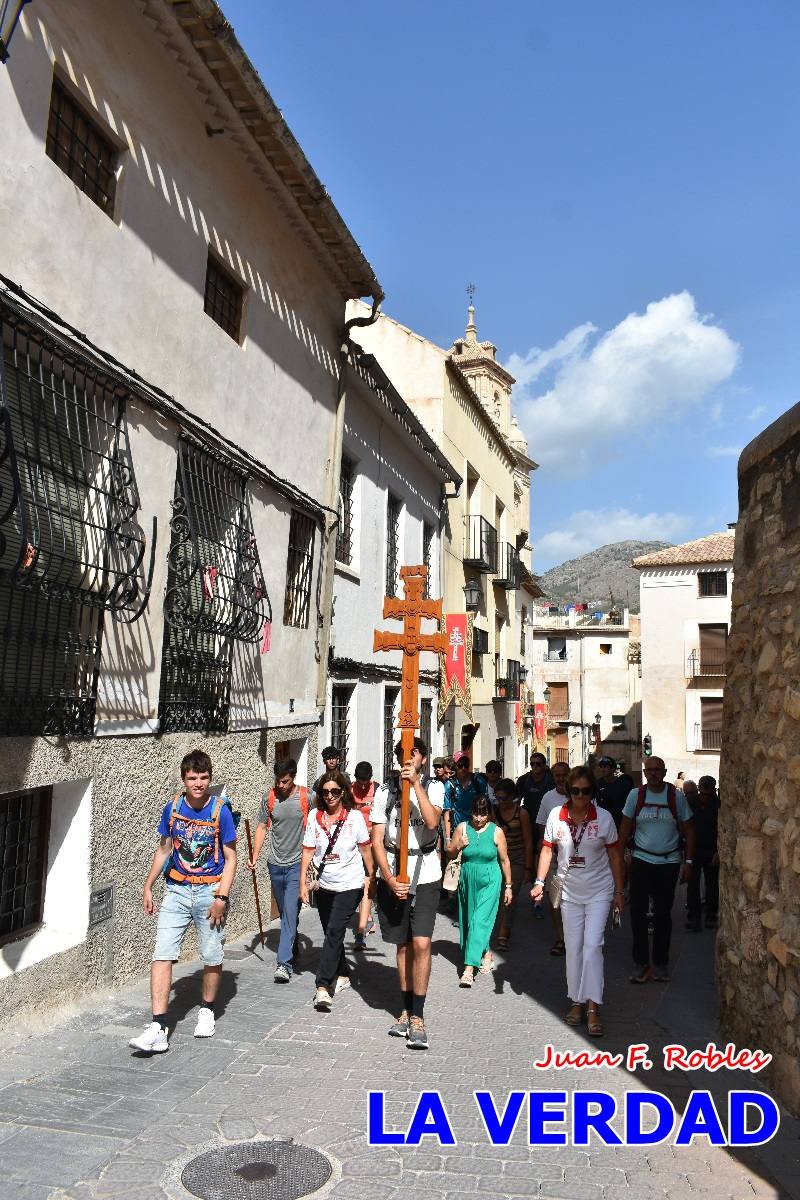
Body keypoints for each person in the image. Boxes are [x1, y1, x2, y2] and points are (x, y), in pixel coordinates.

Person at [129, 750, 237, 1052]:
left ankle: (206, 1008)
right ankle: (158, 1026)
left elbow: (231, 859)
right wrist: (148, 885)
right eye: (192, 778)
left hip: (209, 891)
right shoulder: (173, 808)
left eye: (203, 778)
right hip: (176, 889)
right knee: (161, 954)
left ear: (210, 778)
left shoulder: (220, 811)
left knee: (211, 954)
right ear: (184, 779)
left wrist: (221, 896)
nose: (198, 783)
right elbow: (164, 849)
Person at [531, 766, 624, 1036]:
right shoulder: (555, 816)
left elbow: (616, 856)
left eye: (586, 791)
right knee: (573, 947)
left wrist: (619, 892)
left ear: (592, 792)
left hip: (599, 890)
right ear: (568, 792)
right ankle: (576, 1000)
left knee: (593, 945)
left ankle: (593, 1006)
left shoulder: (604, 818)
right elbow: (547, 850)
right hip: (569, 890)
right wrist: (539, 881)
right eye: (575, 791)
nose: (581, 796)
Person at [371, 737, 445, 1050]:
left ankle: (418, 1015)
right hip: (394, 872)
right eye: (403, 753)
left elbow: (431, 822)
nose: (407, 758)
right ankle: (404, 1008)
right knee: (402, 945)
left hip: (425, 871)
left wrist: (415, 785)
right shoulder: (384, 793)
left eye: (413, 753)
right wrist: (388, 879)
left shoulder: (435, 787)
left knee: (422, 942)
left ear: (423, 759)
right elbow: (376, 840)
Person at [300, 772, 373, 1011]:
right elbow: (308, 851)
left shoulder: (354, 818)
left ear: (343, 792)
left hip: (349, 884)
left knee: (333, 931)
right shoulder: (314, 816)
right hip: (323, 884)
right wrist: (303, 883)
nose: (329, 796)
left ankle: (322, 986)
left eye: (334, 791)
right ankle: (342, 974)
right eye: (325, 792)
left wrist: (372, 878)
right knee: (333, 933)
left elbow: (365, 850)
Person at [619, 757, 695, 983]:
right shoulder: (636, 796)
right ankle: (641, 963)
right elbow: (623, 830)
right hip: (641, 861)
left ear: (664, 772)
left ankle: (660, 963)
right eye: (648, 770)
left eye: (656, 770)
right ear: (644, 772)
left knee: (663, 915)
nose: (652, 774)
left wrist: (689, 863)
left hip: (668, 863)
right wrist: (620, 862)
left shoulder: (676, 797)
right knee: (638, 913)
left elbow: (690, 831)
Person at [246, 757, 308, 983]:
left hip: (297, 864)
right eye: (278, 781)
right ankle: (292, 940)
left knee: (290, 912)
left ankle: (284, 964)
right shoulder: (269, 798)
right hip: (275, 864)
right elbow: (262, 826)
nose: (280, 786)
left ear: (293, 778)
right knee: (285, 911)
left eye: (285, 781)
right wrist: (254, 856)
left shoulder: (306, 797)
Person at [449, 794, 512, 986]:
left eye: (483, 814)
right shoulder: (462, 828)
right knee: (470, 921)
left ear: (489, 814)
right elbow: (450, 851)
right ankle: (486, 953)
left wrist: (508, 886)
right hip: (467, 879)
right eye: (476, 813)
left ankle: (469, 968)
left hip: (491, 879)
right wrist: (458, 845)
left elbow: (504, 860)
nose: (478, 818)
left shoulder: (496, 832)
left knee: (479, 920)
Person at [492, 778, 533, 948]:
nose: (501, 802)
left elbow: (528, 841)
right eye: (498, 798)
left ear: (512, 797)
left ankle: (504, 932)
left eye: (504, 799)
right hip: (496, 859)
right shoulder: (493, 812)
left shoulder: (521, 813)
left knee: (509, 897)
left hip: (516, 859)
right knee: (495, 895)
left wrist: (528, 868)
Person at [534, 760, 569, 952]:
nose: (561, 779)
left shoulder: (581, 794)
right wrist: (544, 844)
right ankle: (561, 937)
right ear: (553, 777)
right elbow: (541, 823)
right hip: (554, 856)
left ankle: (575, 936)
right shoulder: (548, 797)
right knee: (554, 897)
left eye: (564, 775)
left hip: (577, 858)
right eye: (558, 775)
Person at [686, 776, 719, 931]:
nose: (705, 797)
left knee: (712, 884)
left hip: (711, 849)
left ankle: (711, 915)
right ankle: (694, 916)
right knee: (692, 885)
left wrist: (718, 852)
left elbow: (722, 829)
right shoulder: (691, 802)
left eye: (708, 794)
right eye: (702, 793)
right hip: (694, 849)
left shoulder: (718, 805)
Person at [351, 761, 377, 949]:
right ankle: (366, 916)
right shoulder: (349, 790)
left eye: (365, 782)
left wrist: (370, 828)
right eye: (360, 782)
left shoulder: (377, 789)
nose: (362, 786)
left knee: (368, 880)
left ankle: (362, 926)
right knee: (359, 881)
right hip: (354, 844)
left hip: (373, 843)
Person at [443, 752, 488, 840]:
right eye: (460, 765)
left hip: (478, 829)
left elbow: (487, 807)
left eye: (466, 765)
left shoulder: (478, 781)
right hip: (458, 831)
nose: (463, 768)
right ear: (455, 766)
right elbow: (447, 811)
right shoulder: (450, 785)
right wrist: (448, 839)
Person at [595, 756, 633, 830]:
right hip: (603, 824)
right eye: (601, 767)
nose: (602, 769)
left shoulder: (624, 785)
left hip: (620, 824)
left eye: (605, 767)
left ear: (612, 768)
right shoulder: (597, 784)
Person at [516, 752, 554, 826]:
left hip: (546, 818)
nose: (535, 766)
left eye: (538, 764)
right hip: (528, 818)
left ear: (544, 765)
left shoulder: (551, 780)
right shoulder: (523, 780)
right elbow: (517, 799)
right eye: (532, 764)